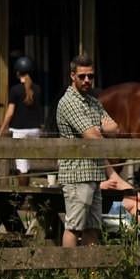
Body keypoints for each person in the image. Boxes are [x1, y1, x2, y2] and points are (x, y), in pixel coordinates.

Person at [55, 55, 119, 247]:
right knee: (74, 226)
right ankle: (69, 266)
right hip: (77, 174)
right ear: (72, 76)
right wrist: (99, 129)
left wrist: (98, 130)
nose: (87, 80)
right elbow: (93, 136)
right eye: (82, 76)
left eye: (90, 76)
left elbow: (115, 129)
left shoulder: (93, 102)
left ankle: (89, 267)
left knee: (93, 228)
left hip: (95, 173)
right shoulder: (69, 102)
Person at [0, 55, 44, 176]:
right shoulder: (38, 89)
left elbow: (10, 113)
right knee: (28, 165)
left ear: (18, 73)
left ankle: (22, 188)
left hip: (19, 131)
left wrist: (1, 130)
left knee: (22, 167)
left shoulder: (15, 90)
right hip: (35, 131)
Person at [100, 166, 140, 239]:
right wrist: (100, 185)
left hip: (105, 202)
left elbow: (117, 182)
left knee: (136, 203)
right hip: (93, 204)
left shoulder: (103, 161)